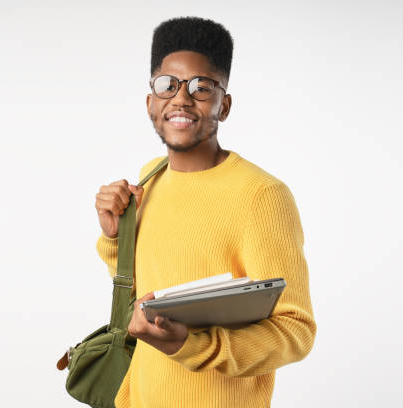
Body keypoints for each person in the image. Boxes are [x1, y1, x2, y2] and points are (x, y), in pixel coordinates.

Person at [94, 17, 317, 408]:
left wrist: (193, 346)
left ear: (224, 105)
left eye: (201, 86)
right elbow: (140, 304)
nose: (181, 98)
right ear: (150, 101)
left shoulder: (263, 196)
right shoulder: (150, 178)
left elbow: (295, 331)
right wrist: (117, 238)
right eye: (168, 85)